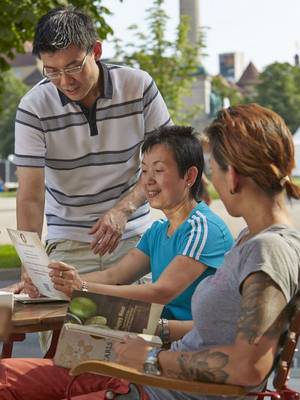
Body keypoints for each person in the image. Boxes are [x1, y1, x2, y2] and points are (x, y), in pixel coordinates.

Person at [1, 104, 300, 400]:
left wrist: (151, 358)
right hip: (149, 374)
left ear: (232, 175)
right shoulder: (251, 240)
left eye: (215, 170)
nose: (215, 183)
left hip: (155, 383)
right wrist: (56, 285)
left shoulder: (266, 249)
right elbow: (219, 330)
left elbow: (248, 368)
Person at [13, 5, 171, 282]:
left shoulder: (139, 86)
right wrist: (31, 264)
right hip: (68, 244)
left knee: (138, 323)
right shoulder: (33, 107)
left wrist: (123, 210)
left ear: (96, 51)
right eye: (51, 71)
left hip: (135, 237)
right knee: (58, 321)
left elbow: (167, 163)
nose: (65, 81)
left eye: (74, 67)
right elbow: (30, 197)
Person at [25, 125, 234, 321]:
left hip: (195, 344)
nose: (148, 180)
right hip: (160, 338)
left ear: (189, 176)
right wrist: (54, 284)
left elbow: (161, 292)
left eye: (159, 170)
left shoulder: (202, 228)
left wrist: (83, 287)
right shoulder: (158, 231)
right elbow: (114, 276)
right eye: (143, 171)